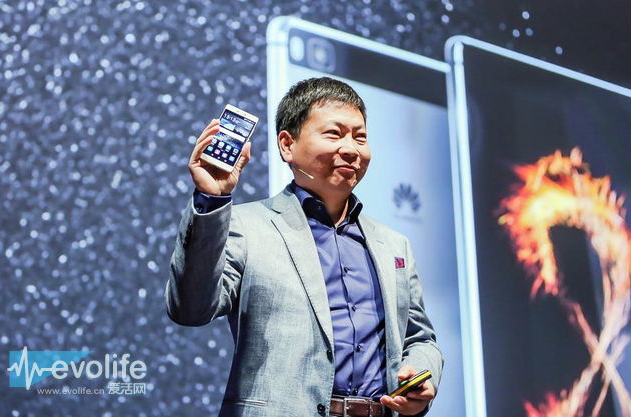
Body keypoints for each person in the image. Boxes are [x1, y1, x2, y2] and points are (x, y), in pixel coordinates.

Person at [165, 77, 443, 417]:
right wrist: (212, 198)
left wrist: (422, 375)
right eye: (334, 134)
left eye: (360, 137)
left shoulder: (394, 245)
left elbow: (420, 339)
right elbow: (190, 309)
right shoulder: (245, 225)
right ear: (287, 145)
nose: (351, 149)